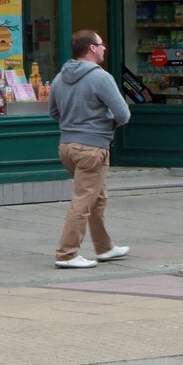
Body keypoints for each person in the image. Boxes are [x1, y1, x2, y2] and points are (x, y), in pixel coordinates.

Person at [47, 29, 131, 268]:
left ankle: (104, 247)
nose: (105, 48)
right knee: (83, 201)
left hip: (67, 146)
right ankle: (67, 253)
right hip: (93, 147)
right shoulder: (101, 78)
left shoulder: (60, 78)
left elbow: (53, 112)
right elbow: (123, 114)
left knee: (97, 196)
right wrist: (104, 123)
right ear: (92, 48)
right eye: (102, 44)